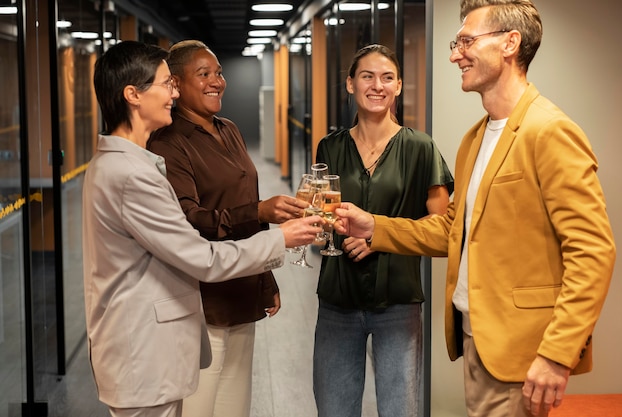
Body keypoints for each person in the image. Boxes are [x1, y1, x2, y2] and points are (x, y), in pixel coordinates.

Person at [334, 2, 616, 417]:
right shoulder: (476, 137)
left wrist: (557, 353)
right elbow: (452, 231)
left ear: (509, 43)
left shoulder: (549, 130)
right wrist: (372, 225)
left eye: (466, 41)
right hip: (477, 341)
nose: (454, 54)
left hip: (521, 350)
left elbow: (593, 252)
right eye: (455, 43)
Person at [84, 40, 321, 417]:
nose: (172, 93)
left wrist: (264, 273)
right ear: (132, 94)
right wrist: (280, 237)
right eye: (166, 84)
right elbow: (200, 256)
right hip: (146, 351)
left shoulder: (133, 162)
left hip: (166, 339)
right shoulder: (132, 172)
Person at [146, 39, 309, 417]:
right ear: (177, 84)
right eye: (203, 74)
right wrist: (259, 210)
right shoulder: (169, 144)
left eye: (218, 73)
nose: (216, 81)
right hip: (203, 303)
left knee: (235, 409)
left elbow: (247, 208)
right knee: (201, 408)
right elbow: (189, 219)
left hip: (241, 291)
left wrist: (265, 280)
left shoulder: (229, 129)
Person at [313, 44, 454, 417]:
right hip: (337, 299)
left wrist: (379, 238)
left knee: (399, 410)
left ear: (399, 86)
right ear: (350, 84)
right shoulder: (330, 146)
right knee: (334, 409)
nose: (377, 86)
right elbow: (323, 216)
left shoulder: (421, 148)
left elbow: (442, 227)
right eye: (367, 76)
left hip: (397, 302)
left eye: (387, 77)